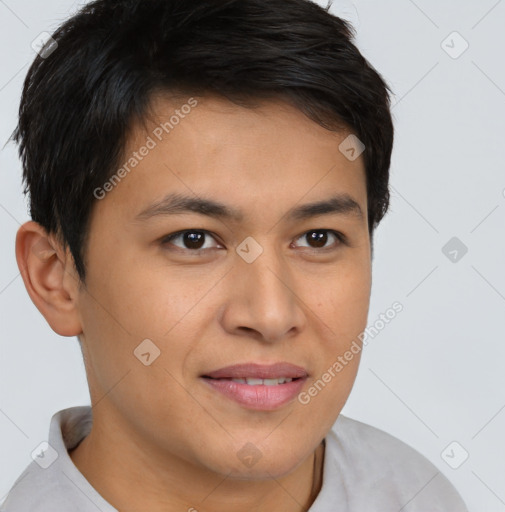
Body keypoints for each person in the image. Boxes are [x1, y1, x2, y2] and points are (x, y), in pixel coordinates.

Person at [2, 0, 468, 510]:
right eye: (194, 240)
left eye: (317, 238)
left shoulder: (416, 492)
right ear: (56, 278)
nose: (271, 315)